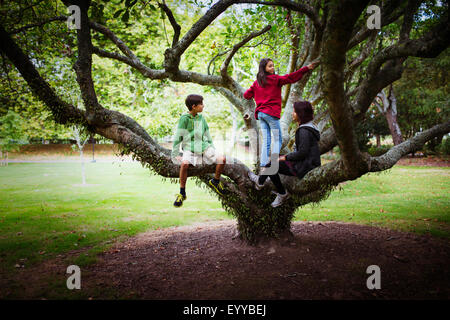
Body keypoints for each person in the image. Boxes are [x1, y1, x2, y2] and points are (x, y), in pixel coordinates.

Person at [243, 58, 319, 169]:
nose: (273, 68)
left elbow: (246, 95)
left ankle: (264, 163)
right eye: (270, 66)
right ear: (264, 68)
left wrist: (257, 94)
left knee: (266, 140)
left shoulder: (257, 83)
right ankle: (273, 163)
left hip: (261, 115)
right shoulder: (275, 79)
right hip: (271, 114)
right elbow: (291, 77)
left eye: (273, 65)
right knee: (278, 140)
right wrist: (306, 68)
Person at [248, 100, 321, 208]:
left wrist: (284, 158)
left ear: (301, 114)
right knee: (273, 161)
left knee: (272, 164)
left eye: (295, 111)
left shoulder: (304, 131)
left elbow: (302, 153)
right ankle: (260, 182)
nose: (292, 113)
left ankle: (279, 192)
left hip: (305, 166)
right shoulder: (310, 127)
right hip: (307, 164)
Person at [171, 94, 227, 207]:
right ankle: (182, 192)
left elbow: (207, 133)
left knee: (222, 159)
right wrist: (175, 153)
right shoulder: (184, 119)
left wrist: (211, 147)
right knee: (184, 164)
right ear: (194, 106)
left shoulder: (201, 118)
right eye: (201, 104)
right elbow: (179, 135)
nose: (203, 106)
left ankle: (215, 181)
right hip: (189, 148)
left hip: (204, 146)